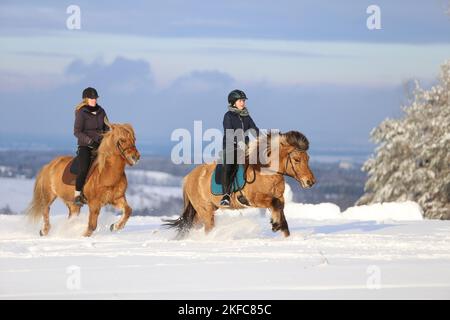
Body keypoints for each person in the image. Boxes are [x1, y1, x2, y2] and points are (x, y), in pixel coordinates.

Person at [220, 89, 259, 206]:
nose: (243, 103)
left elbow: (254, 129)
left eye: (243, 101)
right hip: (231, 146)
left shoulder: (246, 116)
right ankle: (226, 195)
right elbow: (229, 133)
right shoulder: (228, 116)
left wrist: (263, 139)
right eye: (240, 101)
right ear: (233, 102)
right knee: (230, 166)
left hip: (245, 146)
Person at [73, 87, 109, 206]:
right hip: (85, 146)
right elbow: (77, 132)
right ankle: (78, 194)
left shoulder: (101, 111)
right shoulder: (81, 112)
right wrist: (90, 141)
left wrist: (108, 137)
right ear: (86, 99)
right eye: (91, 98)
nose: (94, 100)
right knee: (83, 168)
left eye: (95, 98)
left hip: (100, 145)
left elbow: (107, 128)